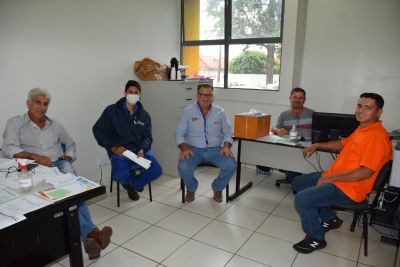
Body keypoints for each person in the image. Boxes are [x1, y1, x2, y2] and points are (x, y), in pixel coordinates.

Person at [2, 88, 112, 260]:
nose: (42, 107)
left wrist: (68, 158)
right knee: (56, 199)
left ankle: (90, 237)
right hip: (32, 167)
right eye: (38, 102)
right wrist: (34, 156)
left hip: (59, 164)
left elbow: (70, 143)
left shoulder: (55, 124)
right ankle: (92, 234)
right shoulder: (15, 123)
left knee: (76, 191)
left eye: (45, 104)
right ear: (28, 103)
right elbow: (9, 149)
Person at [292, 92, 392, 254]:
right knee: (298, 183)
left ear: (379, 112)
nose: (361, 110)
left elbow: (365, 172)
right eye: (359, 106)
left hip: (350, 189)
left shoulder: (376, 137)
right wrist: (317, 145)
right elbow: (341, 144)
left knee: (302, 200)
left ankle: (316, 238)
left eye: (368, 108)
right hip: (337, 177)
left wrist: (329, 178)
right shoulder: (362, 129)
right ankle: (330, 218)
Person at [92, 80, 162, 201]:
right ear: (125, 93)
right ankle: (131, 183)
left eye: (136, 92)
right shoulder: (111, 111)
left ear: (139, 95)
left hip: (139, 151)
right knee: (119, 175)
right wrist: (112, 147)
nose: (133, 95)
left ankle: (132, 185)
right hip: (119, 150)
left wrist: (143, 148)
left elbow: (148, 138)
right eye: (130, 92)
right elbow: (97, 130)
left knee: (156, 170)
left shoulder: (144, 115)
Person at [175, 84, 237, 202]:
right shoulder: (187, 112)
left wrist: (226, 146)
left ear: (212, 96)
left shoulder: (220, 112)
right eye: (202, 94)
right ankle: (191, 188)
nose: (205, 98)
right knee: (182, 166)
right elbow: (179, 134)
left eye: (208, 95)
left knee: (231, 165)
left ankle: (217, 188)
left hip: (215, 150)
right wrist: (184, 148)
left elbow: (228, 131)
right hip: (193, 150)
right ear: (197, 95)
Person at [272, 87, 315, 184]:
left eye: (300, 98)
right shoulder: (283, 114)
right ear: (290, 98)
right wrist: (278, 130)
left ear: (304, 99)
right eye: (295, 97)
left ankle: (296, 179)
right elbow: (273, 128)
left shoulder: (312, 113)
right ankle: (296, 180)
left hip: (308, 146)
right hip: (290, 146)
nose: (297, 100)